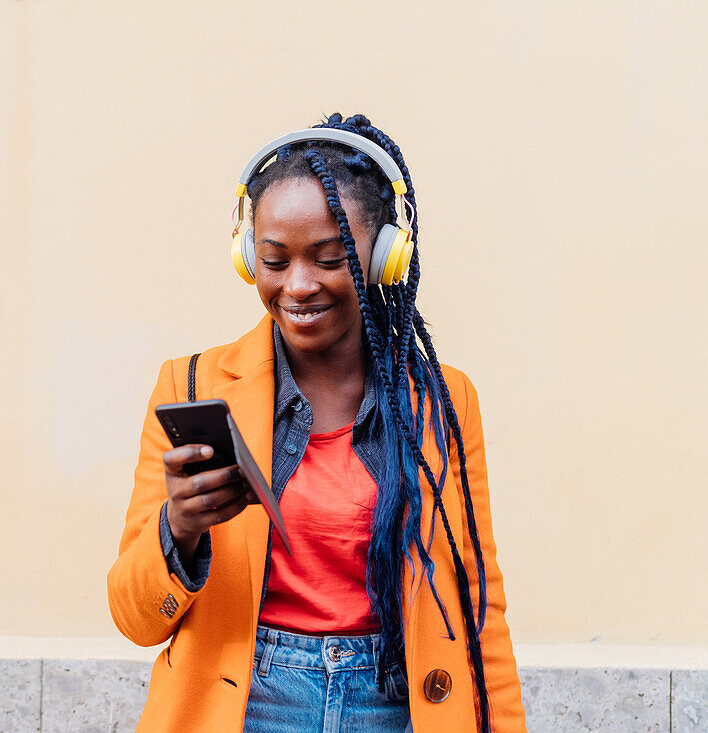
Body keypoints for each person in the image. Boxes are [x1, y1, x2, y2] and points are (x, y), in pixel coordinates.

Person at [107, 114, 526, 732]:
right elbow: (135, 617)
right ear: (248, 257)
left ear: (385, 257)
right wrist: (181, 528)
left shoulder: (441, 399)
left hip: (396, 702)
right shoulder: (190, 387)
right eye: (274, 260)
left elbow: (475, 604)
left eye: (331, 259)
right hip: (247, 704)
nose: (298, 286)